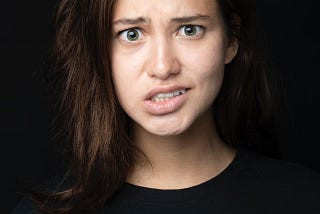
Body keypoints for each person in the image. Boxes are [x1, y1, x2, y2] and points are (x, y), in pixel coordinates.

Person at [13, 0, 320, 213]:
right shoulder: (44, 212)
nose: (163, 67)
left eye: (189, 29)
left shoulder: (304, 199)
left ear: (231, 39)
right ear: (100, 52)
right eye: (131, 34)